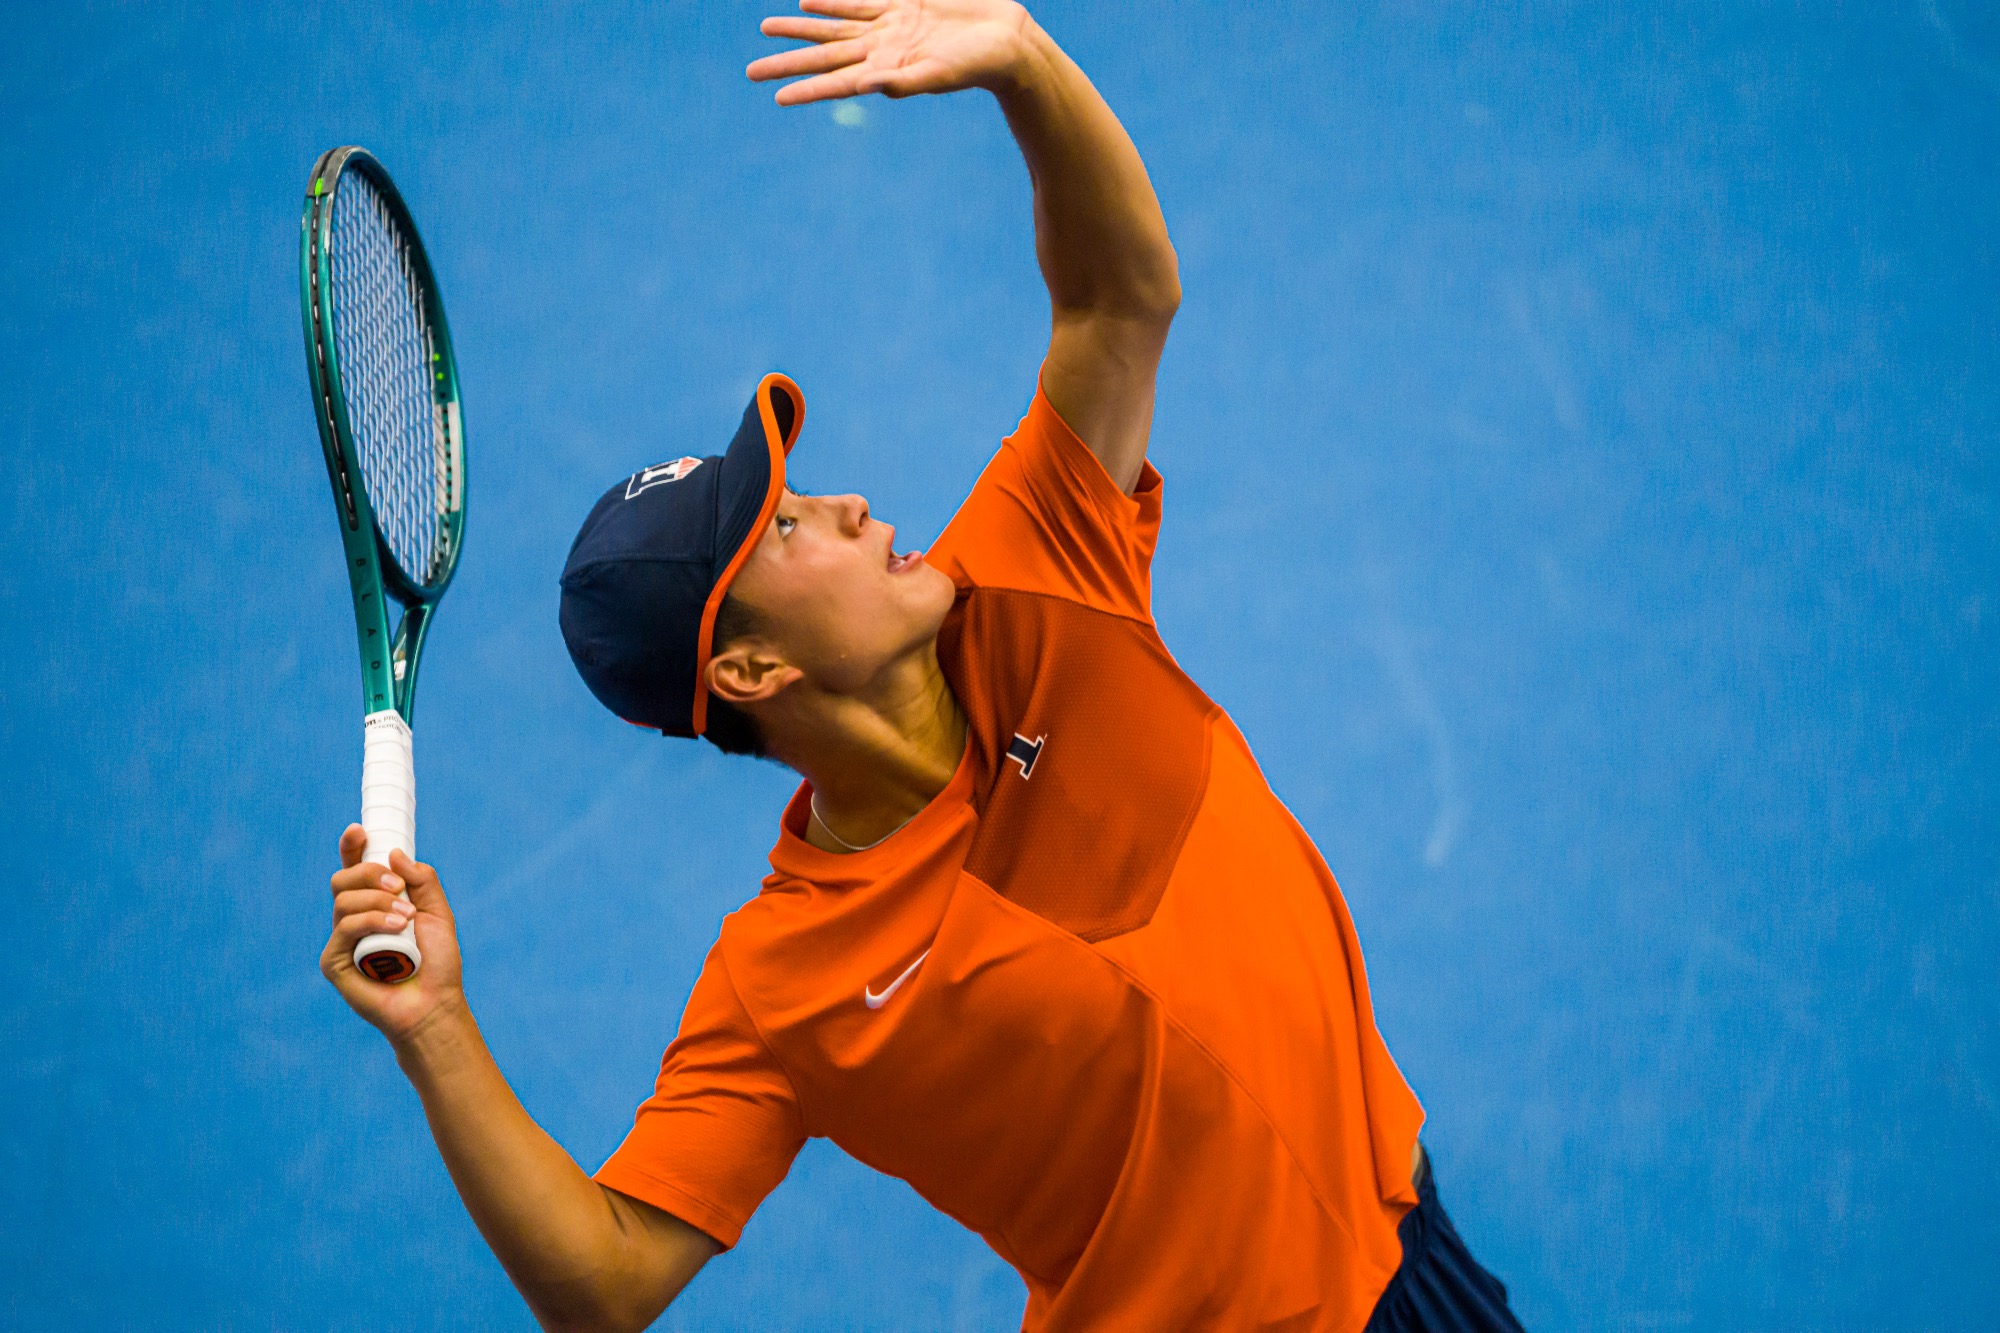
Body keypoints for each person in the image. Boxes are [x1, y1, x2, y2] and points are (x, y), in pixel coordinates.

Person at [322, 3, 1527, 1329]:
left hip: (1408, 1256)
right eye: (784, 529)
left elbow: (1121, 297)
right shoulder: (785, 982)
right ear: (752, 669)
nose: (844, 509)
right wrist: (436, 1028)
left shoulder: (1029, 566)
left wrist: (1022, 57)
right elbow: (607, 1280)